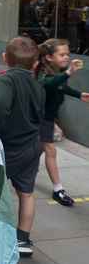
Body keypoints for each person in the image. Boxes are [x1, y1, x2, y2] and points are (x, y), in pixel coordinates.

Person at [0, 36, 45, 257]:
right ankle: (23, 240)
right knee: (26, 193)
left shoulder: (5, 80)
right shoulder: (37, 84)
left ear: (5, 58)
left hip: (8, 145)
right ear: (35, 63)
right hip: (31, 143)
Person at [37, 39, 89, 207]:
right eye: (62, 54)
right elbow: (50, 84)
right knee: (50, 151)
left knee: (36, 150)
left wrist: (79, 94)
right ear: (49, 57)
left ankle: (14, 172)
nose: (66, 57)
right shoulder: (43, 73)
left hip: (48, 117)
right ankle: (58, 189)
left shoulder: (58, 71)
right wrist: (68, 72)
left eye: (67, 54)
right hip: (40, 118)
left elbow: (60, 87)